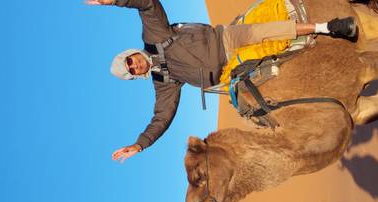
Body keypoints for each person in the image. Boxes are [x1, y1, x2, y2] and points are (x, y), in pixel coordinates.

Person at [86, 0, 358, 162]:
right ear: (135, 75)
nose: (134, 64)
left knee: (262, 32)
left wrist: (114, 1)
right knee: (255, 111)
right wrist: (140, 144)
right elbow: (162, 117)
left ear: (132, 53)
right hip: (228, 75)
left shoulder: (154, 36)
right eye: (131, 70)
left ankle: (327, 28)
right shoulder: (163, 81)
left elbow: (147, 4)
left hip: (225, 41)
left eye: (130, 60)